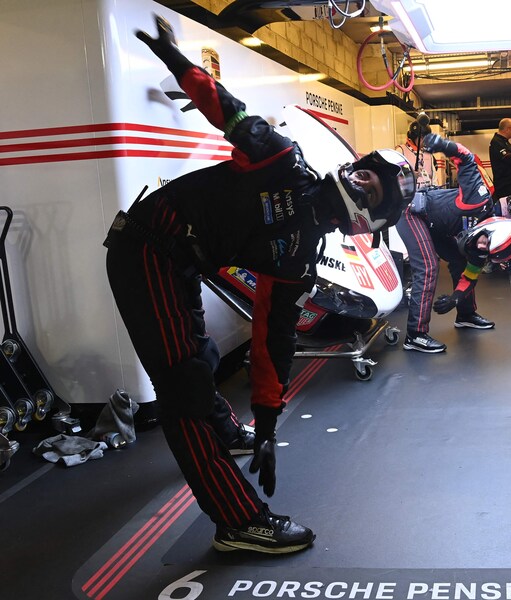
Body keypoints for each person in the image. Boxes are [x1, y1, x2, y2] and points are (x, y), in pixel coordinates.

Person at [106, 16, 414, 555]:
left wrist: (268, 427)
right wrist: (175, 58)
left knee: (199, 357)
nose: (361, 178)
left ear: (367, 217)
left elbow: (274, 341)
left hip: (180, 262)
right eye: (368, 171)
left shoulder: (300, 256)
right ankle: (238, 522)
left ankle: (230, 433)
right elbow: (228, 110)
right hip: (146, 248)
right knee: (184, 389)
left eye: (373, 187)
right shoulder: (283, 161)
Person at [396, 133, 496, 353]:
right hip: (413, 213)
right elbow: (466, 157)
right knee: (428, 266)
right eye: (484, 243)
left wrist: (455, 299)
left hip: (437, 224)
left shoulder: (483, 248)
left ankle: (466, 314)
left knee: (461, 259)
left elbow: (470, 276)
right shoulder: (477, 198)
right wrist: (443, 145)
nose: (482, 247)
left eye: (486, 249)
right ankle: (415, 335)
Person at [396, 113, 446, 188]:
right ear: (414, 136)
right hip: (410, 194)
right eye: (423, 138)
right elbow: (394, 175)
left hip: (428, 194)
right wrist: (410, 176)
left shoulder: (428, 154)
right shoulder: (401, 151)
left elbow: (434, 178)